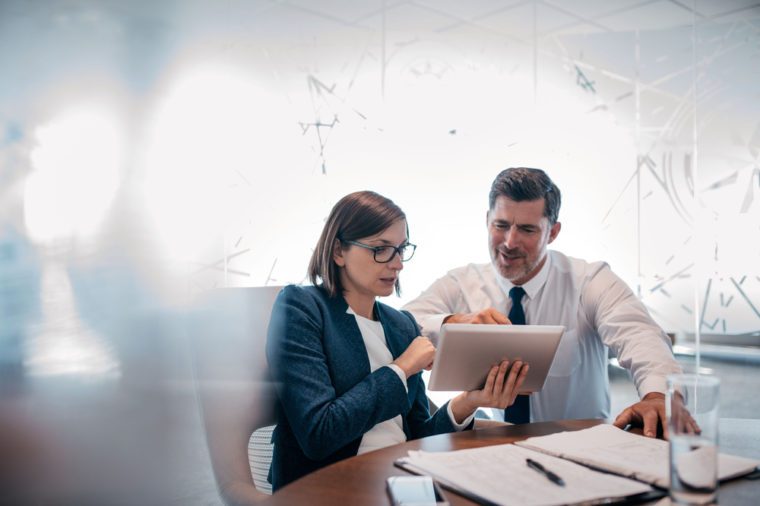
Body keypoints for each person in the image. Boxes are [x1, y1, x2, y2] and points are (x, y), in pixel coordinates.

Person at [266, 191, 529, 490]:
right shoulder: (302, 307)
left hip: (400, 480)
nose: (397, 264)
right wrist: (401, 368)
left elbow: (419, 438)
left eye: (400, 249)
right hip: (331, 487)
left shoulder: (400, 325)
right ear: (338, 251)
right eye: (381, 249)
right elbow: (319, 434)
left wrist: (468, 402)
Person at [404, 167, 682, 438]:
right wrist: (453, 323)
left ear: (553, 232)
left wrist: (657, 395)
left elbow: (640, 335)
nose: (510, 242)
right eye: (500, 225)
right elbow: (397, 324)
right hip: (496, 445)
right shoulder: (460, 283)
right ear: (487, 220)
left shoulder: (589, 281)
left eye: (527, 229)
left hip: (582, 447)